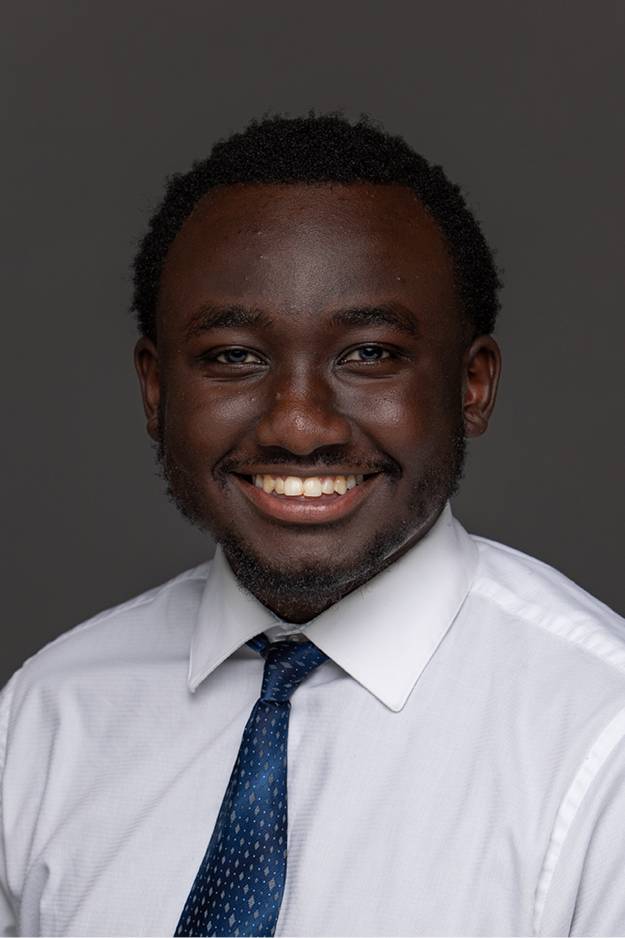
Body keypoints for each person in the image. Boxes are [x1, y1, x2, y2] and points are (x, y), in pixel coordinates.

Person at [1, 113, 624, 938]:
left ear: (472, 385)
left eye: (368, 354)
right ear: (155, 390)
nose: (299, 425)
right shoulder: (46, 717)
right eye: (232, 356)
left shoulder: (599, 740)